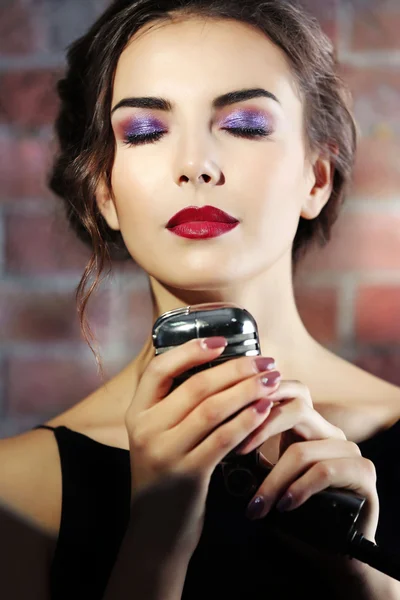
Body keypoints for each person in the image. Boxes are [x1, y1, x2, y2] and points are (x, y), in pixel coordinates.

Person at [1, 0, 400, 598]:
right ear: (105, 192)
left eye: (244, 126)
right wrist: (154, 543)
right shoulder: (17, 490)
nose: (195, 166)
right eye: (145, 132)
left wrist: (369, 585)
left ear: (315, 177)